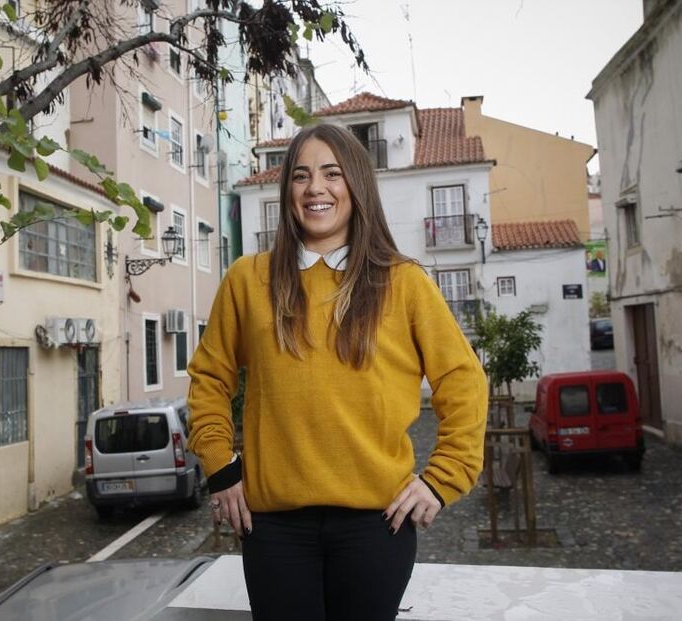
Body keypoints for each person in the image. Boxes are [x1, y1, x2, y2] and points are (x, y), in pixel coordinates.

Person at [187, 124, 488, 621]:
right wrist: (220, 467)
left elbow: (463, 380)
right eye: (301, 176)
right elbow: (209, 379)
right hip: (274, 528)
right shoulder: (247, 279)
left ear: (356, 185)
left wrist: (443, 478)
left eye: (332, 173)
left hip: (377, 526)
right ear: (288, 193)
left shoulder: (403, 282)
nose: (315, 188)